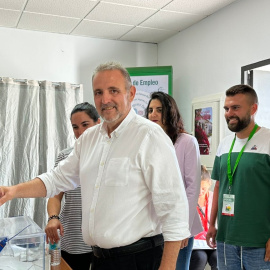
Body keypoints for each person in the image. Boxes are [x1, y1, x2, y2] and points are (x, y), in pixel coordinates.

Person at [0, 61, 190, 270]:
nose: (105, 99)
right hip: (99, 259)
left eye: (113, 91)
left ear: (131, 93)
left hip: (139, 259)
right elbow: (56, 179)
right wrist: (12, 191)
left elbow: (174, 212)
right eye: (98, 92)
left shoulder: (150, 136)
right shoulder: (89, 139)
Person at [206, 84, 270, 270]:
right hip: (226, 239)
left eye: (236, 108)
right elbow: (219, 186)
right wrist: (211, 224)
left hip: (258, 241)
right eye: (226, 108)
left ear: (253, 108)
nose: (229, 113)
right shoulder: (224, 144)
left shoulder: (267, 140)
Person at [146, 91, 202, 270]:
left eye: (159, 110)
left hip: (179, 224)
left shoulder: (187, 142)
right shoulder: (147, 143)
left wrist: (182, 227)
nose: (153, 114)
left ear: (170, 113)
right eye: (150, 110)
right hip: (153, 227)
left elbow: (192, 187)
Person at [45, 102, 100, 270]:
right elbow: (55, 194)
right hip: (73, 238)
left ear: (98, 123)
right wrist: (53, 218)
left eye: (85, 125)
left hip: (101, 238)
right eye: (75, 127)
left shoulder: (108, 156)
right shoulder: (65, 156)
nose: (80, 132)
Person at [189, 165, 217, 270]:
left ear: (209, 184)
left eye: (203, 188)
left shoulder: (213, 198)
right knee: (200, 257)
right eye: (197, 188)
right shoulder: (189, 199)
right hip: (195, 242)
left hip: (211, 240)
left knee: (217, 258)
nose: (200, 192)